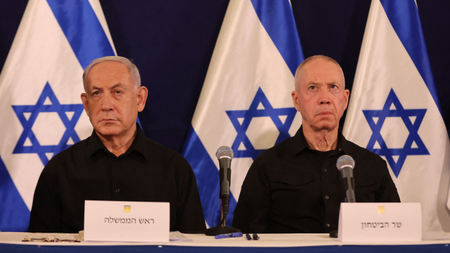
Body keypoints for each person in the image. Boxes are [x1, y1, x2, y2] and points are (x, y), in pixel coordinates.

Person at [28, 56, 206, 233]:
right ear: (86, 104)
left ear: (140, 99)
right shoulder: (59, 170)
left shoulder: (174, 169)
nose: (106, 105)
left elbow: (194, 245)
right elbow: (39, 247)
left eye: (117, 92)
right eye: (96, 93)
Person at [232, 55, 400, 233]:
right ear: (296, 100)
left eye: (333, 87)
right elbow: (246, 240)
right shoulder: (267, 165)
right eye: (313, 88)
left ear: (345, 99)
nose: (325, 98)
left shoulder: (373, 166)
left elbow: (395, 233)